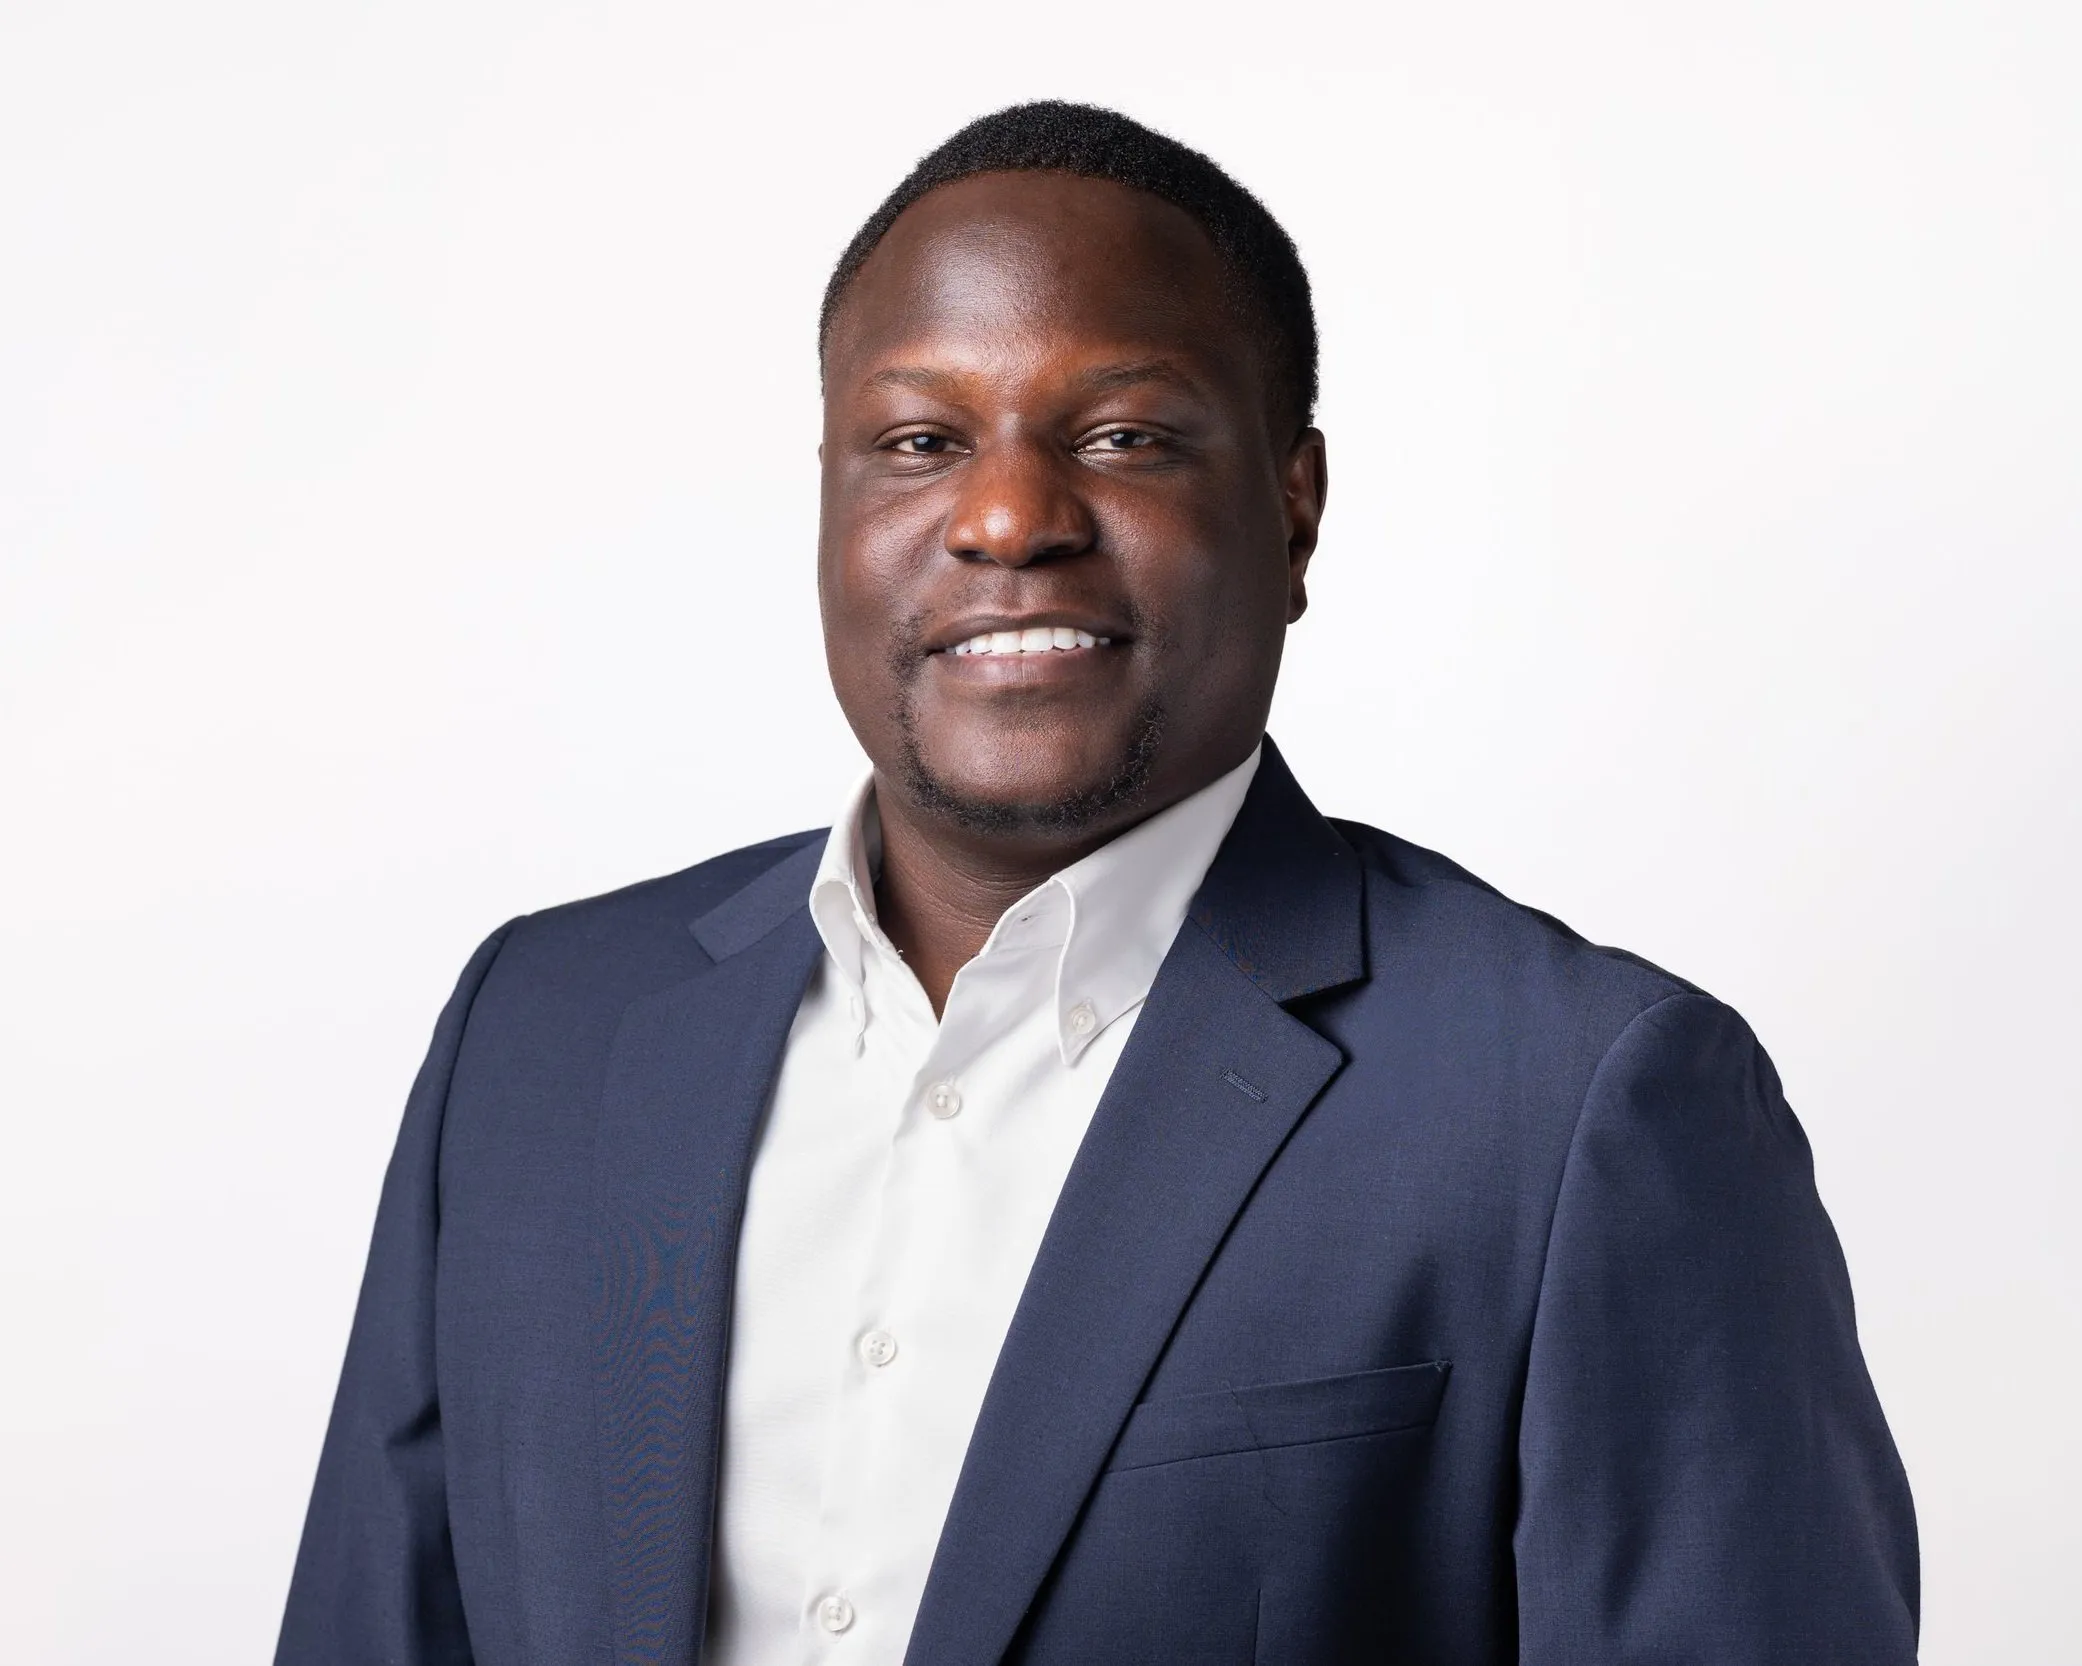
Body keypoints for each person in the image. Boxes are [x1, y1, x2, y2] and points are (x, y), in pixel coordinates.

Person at [276, 101, 1918, 1665]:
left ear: (1292, 508)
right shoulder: (539, 1029)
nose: (1005, 517)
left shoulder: (1576, 1106)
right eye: (919, 441)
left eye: (1122, 435)